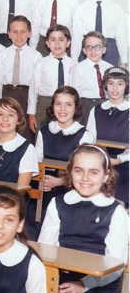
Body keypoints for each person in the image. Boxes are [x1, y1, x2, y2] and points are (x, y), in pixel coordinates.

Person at [38, 145, 128, 293]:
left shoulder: (116, 211)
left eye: (93, 172)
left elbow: (116, 265)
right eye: (79, 170)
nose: (85, 178)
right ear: (70, 172)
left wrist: (84, 285)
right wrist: (50, 283)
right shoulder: (57, 204)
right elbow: (45, 250)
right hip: (58, 281)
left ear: (105, 176)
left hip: (97, 287)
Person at [35, 86, 94, 220]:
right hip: (44, 189)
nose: (62, 109)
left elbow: (85, 173)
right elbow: (36, 164)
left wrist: (59, 181)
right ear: (52, 106)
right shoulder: (44, 132)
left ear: (76, 108)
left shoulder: (84, 136)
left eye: (68, 104)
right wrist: (41, 181)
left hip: (71, 190)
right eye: (58, 104)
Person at [0, 16, 42, 142]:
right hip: (6, 94)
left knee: (24, 135)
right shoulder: (2, 55)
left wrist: (32, 112)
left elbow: (35, 87)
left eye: (23, 31)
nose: (19, 35)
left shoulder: (36, 56)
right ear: (8, 34)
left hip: (26, 97)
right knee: (4, 132)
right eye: (14, 32)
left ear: (29, 33)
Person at [87, 67, 129, 206]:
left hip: (125, 164)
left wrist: (119, 160)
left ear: (126, 86)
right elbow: (89, 140)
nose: (115, 88)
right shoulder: (97, 110)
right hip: (101, 162)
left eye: (120, 83)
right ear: (105, 85)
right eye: (111, 83)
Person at [71, 0, 128, 66]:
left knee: (109, 79)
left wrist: (123, 61)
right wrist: (74, 60)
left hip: (109, 49)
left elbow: (121, 36)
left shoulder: (116, 8)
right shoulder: (81, 9)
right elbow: (77, 36)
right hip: (87, 49)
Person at [27, 25, 76, 133]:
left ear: (68, 43)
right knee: (43, 136)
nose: (57, 43)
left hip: (67, 105)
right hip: (45, 103)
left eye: (61, 39)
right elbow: (33, 89)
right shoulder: (41, 64)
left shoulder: (74, 65)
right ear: (47, 43)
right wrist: (31, 113)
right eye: (53, 40)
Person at [70, 31, 113, 125]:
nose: (93, 51)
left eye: (97, 47)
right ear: (84, 50)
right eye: (89, 47)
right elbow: (75, 93)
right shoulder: (78, 68)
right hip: (85, 105)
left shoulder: (110, 69)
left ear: (104, 50)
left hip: (106, 103)